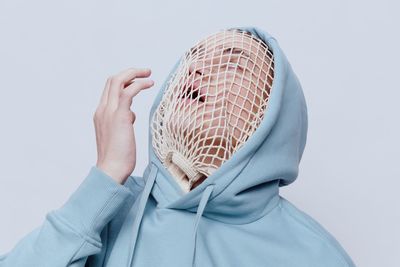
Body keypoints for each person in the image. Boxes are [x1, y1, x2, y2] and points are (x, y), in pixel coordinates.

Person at [0, 26, 356, 267]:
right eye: (194, 58)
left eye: (233, 63)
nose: (198, 69)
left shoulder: (313, 253)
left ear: (273, 113)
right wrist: (106, 176)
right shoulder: (108, 213)